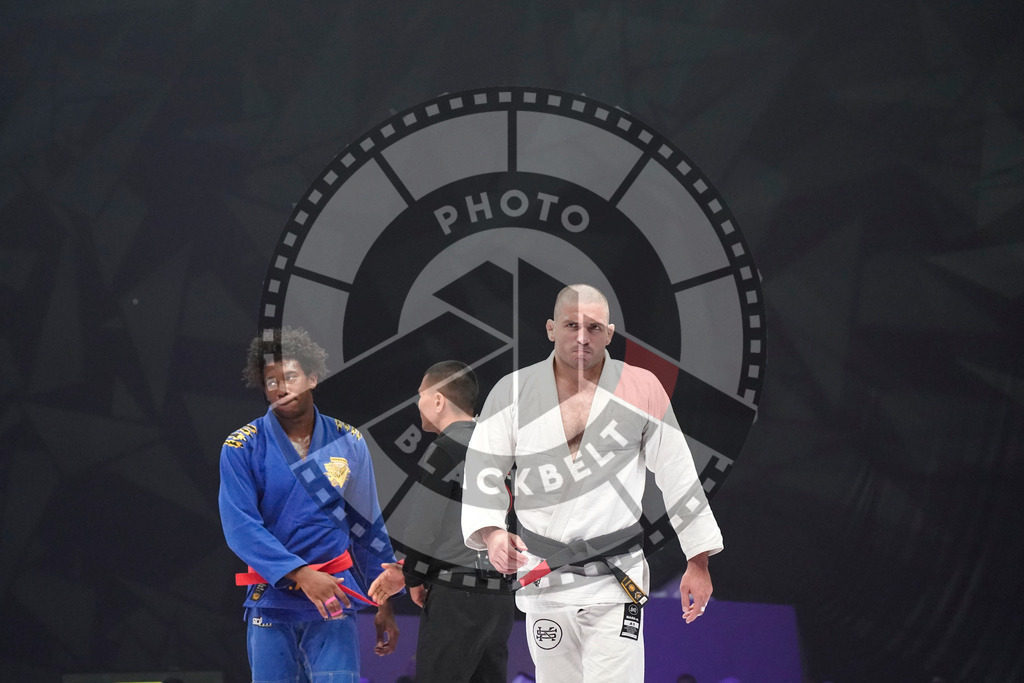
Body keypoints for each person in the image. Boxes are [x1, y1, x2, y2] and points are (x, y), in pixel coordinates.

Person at [461, 285, 724, 683]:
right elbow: (483, 471)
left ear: (610, 333)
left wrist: (698, 560)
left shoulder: (641, 388)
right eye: (571, 325)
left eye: (594, 328)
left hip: (615, 577)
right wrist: (494, 534)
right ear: (551, 329)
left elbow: (678, 473)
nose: (582, 337)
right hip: (544, 575)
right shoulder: (512, 391)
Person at [218, 327, 400, 682]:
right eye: (271, 382)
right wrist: (301, 574)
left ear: (312, 378)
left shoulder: (348, 441)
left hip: (335, 597)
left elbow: (367, 526)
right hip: (273, 599)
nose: (281, 389)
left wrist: (384, 601)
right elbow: (240, 527)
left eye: (290, 377)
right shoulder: (241, 446)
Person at [368, 361, 516, 682]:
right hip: (500, 598)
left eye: (420, 395)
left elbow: (424, 527)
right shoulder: (502, 448)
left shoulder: (445, 448)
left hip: (455, 598)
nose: (417, 404)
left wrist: (413, 578)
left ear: (438, 400)